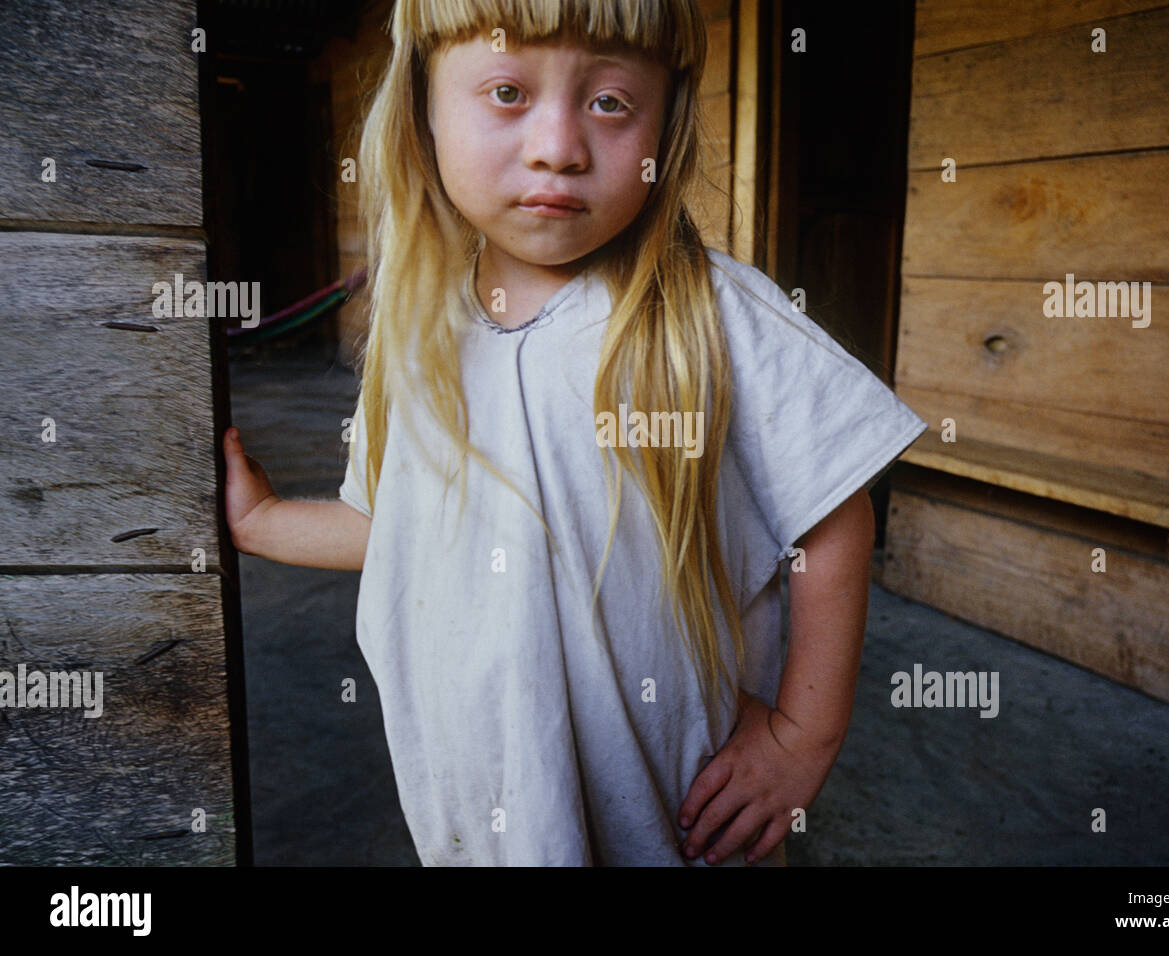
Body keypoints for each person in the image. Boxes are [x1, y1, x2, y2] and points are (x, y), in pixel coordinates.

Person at [222, 0, 925, 867]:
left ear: (665, 122)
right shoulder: (416, 338)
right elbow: (400, 527)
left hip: (673, 823)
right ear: (422, 108)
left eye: (609, 103)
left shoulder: (709, 316)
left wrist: (797, 738)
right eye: (509, 90)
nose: (559, 144)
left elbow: (834, 515)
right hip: (490, 811)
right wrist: (261, 524)